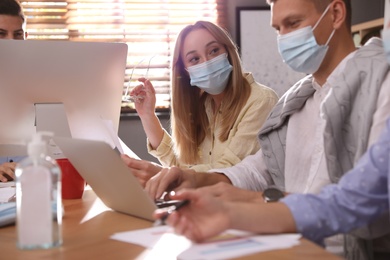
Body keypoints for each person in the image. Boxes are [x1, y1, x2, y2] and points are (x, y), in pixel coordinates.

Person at [146, 0, 390, 259]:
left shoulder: (380, 84)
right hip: (287, 243)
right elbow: (260, 168)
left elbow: (364, 198)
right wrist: (196, 179)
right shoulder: (297, 100)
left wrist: (241, 208)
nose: (284, 38)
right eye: (278, 29)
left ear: (336, 14)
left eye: (293, 24)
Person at [154, 115, 390, 250]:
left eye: (292, 24)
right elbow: (350, 200)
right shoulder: (298, 99)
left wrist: (249, 202)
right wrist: (228, 214)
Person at [122, 21, 278, 186]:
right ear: (185, 71)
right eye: (195, 59)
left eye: (214, 51)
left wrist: (163, 174)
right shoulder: (203, 105)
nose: (206, 62)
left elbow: (229, 171)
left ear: (229, 51)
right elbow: (180, 165)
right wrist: (147, 115)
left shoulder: (261, 100)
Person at [0, 0, 27, 182]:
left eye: (17, 34)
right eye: (1, 34)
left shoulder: (45, 81)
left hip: (33, 184)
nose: (10, 42)